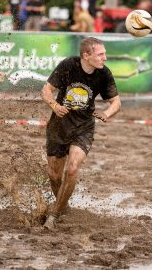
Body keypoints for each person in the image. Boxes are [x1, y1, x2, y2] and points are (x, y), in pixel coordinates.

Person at [41, 37, 121, 229]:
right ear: (86, 55)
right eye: (101, 54)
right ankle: (63, 206)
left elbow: (116, 102)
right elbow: (46, 90)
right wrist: (54, 105)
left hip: (83, 128)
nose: (105, 58)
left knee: (72, 168)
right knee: (54, 175)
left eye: (105, 54)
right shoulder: (69, 65)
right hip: (59, 126)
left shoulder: (104, 74)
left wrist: (107, 113)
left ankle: (54, 215)